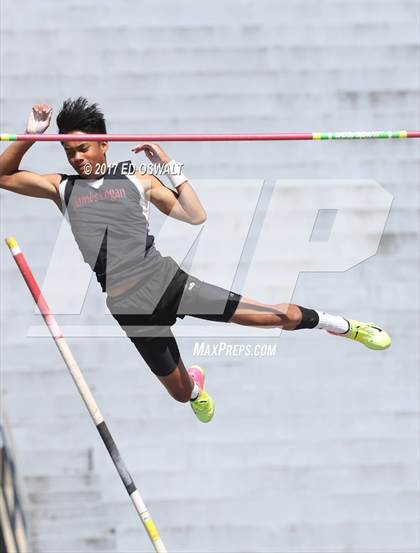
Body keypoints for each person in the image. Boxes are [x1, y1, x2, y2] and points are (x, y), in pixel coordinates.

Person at [0, 99, 391, 424]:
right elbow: (3, 176)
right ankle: (196, 384)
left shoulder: (138, 180)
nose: (77, 157)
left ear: (104, 145)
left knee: (271, 317)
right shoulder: (61, 187)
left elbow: (194, 214)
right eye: (69, 152)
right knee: (181, 394)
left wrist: (169, 166)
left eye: (83, 148)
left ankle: (342, 325)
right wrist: (30, 137)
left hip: (167, 283)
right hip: (127, 306)